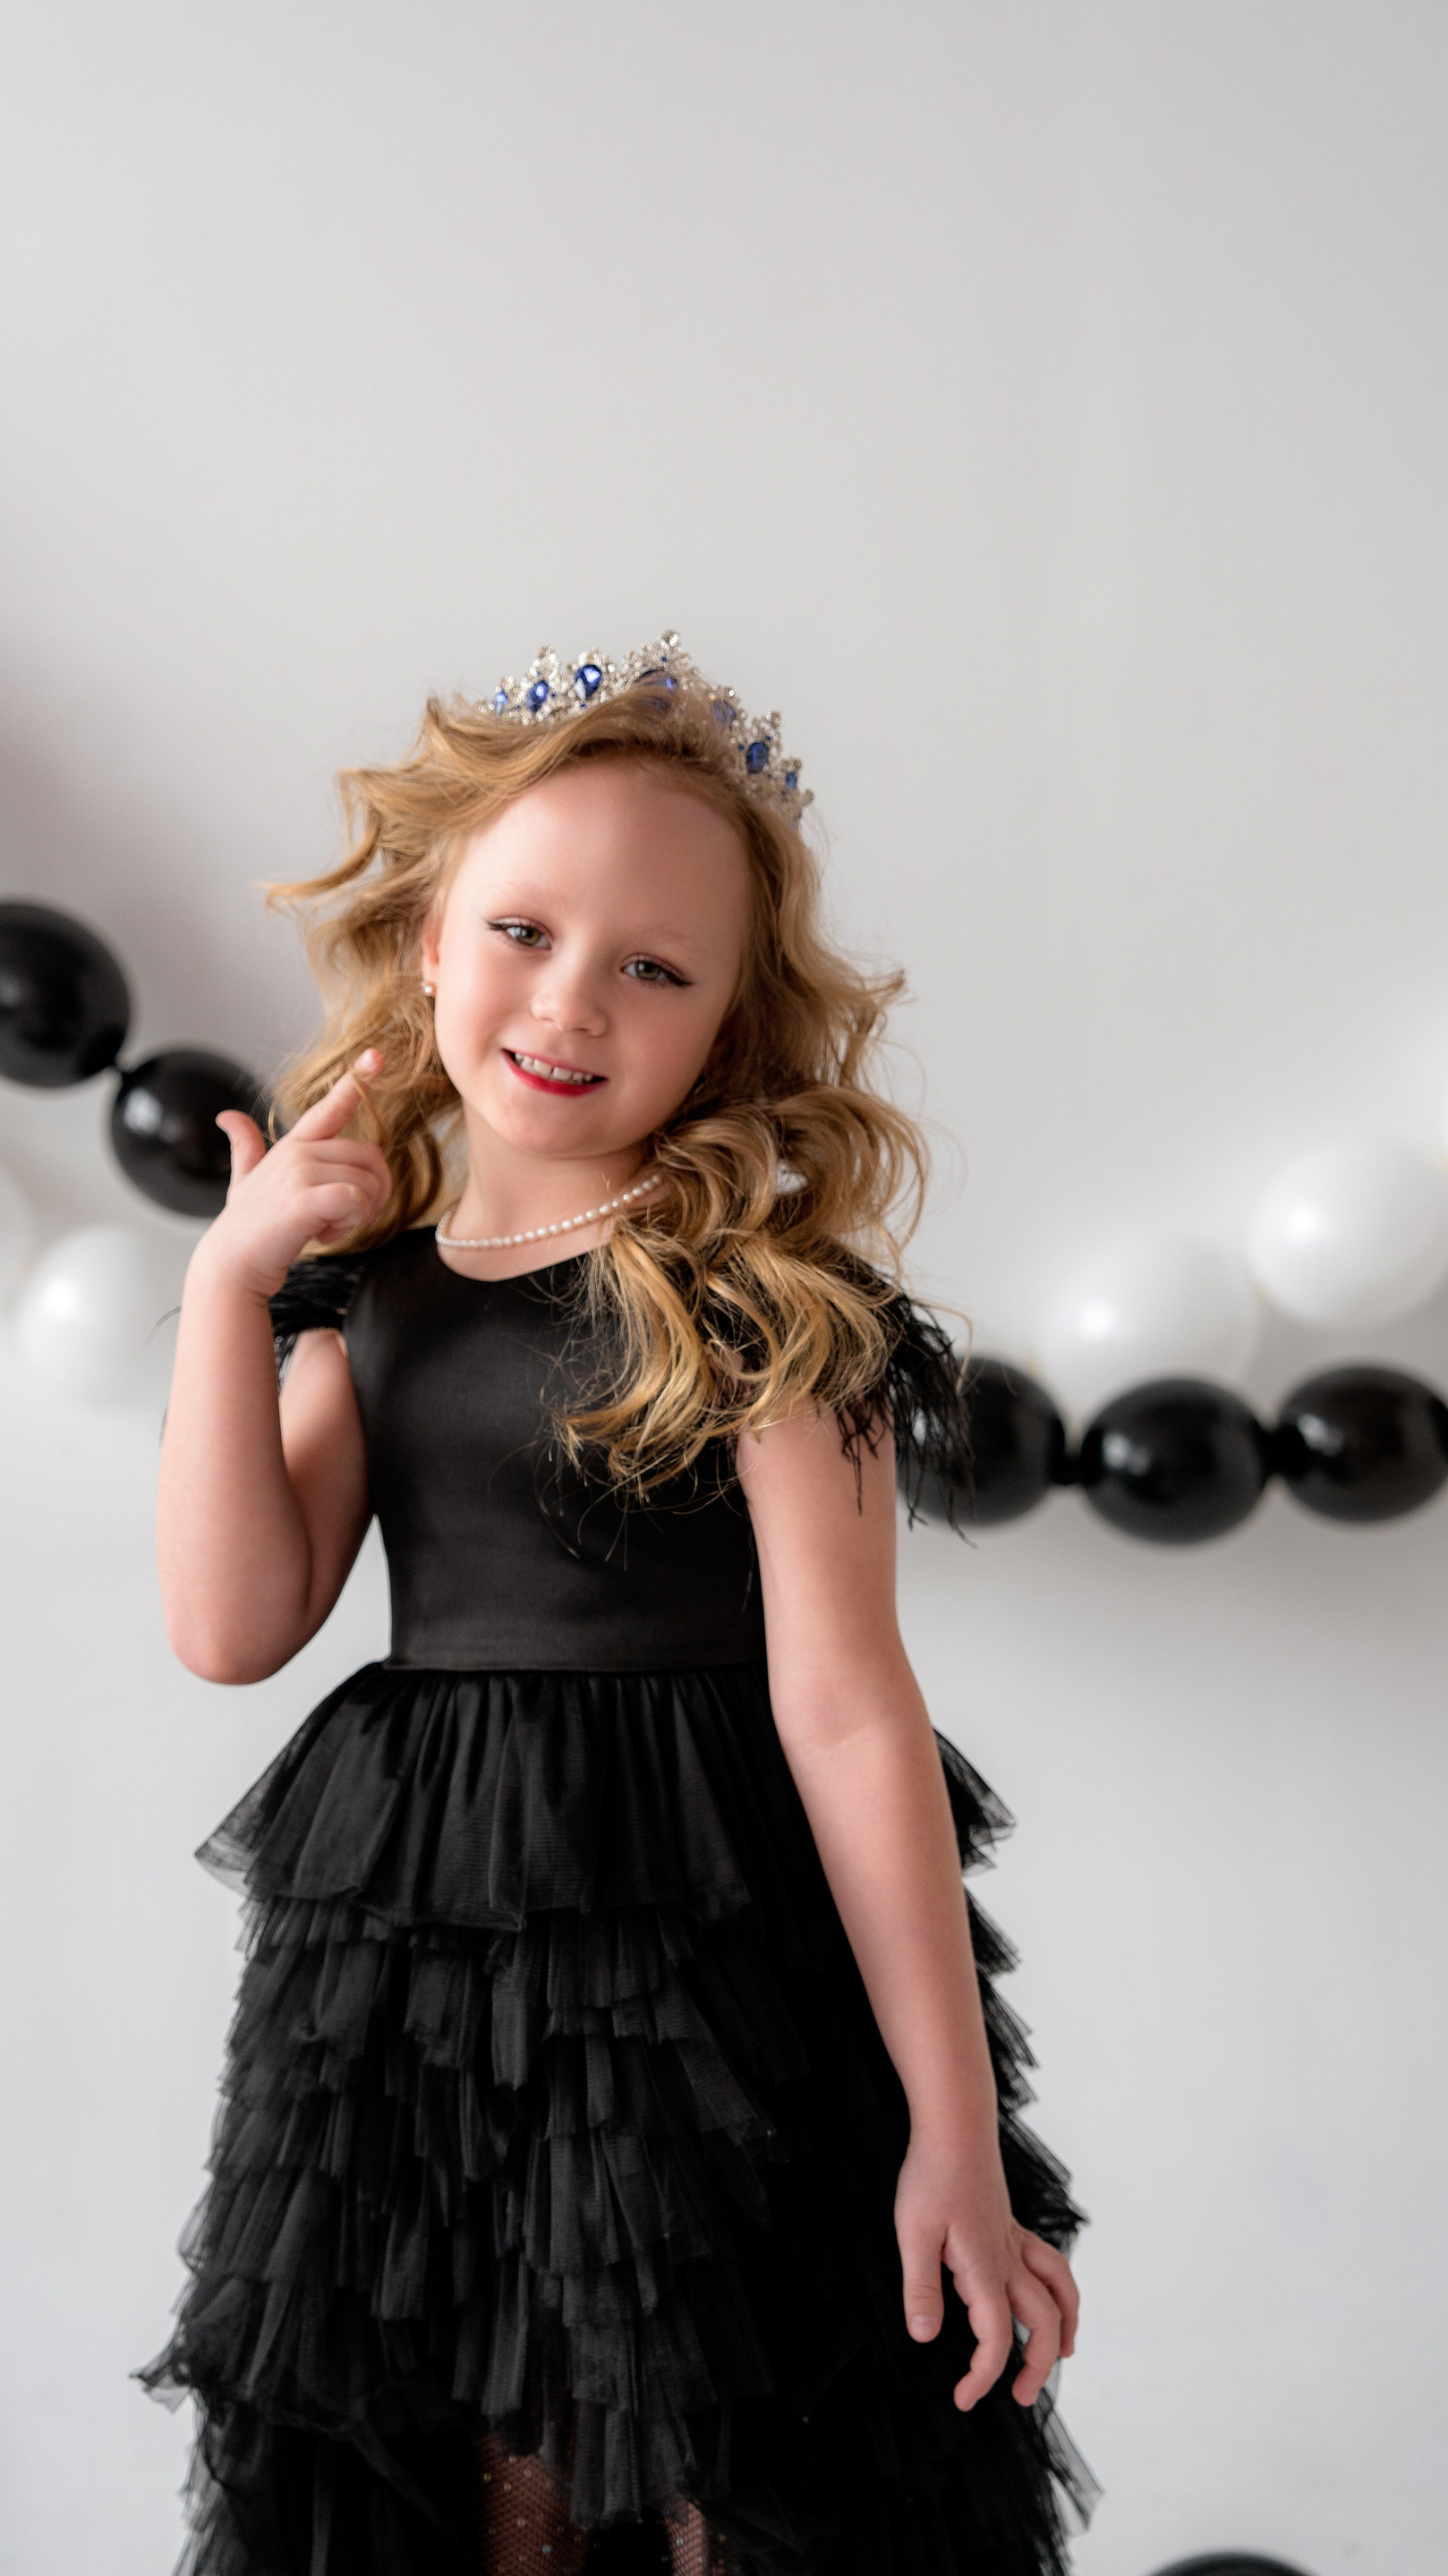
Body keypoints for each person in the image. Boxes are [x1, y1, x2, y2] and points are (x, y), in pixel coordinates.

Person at [140, 636, 1092, 2576]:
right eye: (524, 930)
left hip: (710, 1985)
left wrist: (958, 2132)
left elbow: (851, 1709)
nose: (574, 999)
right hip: (426, 1998)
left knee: (722, 2474)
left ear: (730, 1024)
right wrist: (230, 1291)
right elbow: (233, 1624)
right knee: (491, 2485)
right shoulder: (366, 1299)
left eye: (657, 967)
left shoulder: (759, 1303)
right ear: (429, 943)